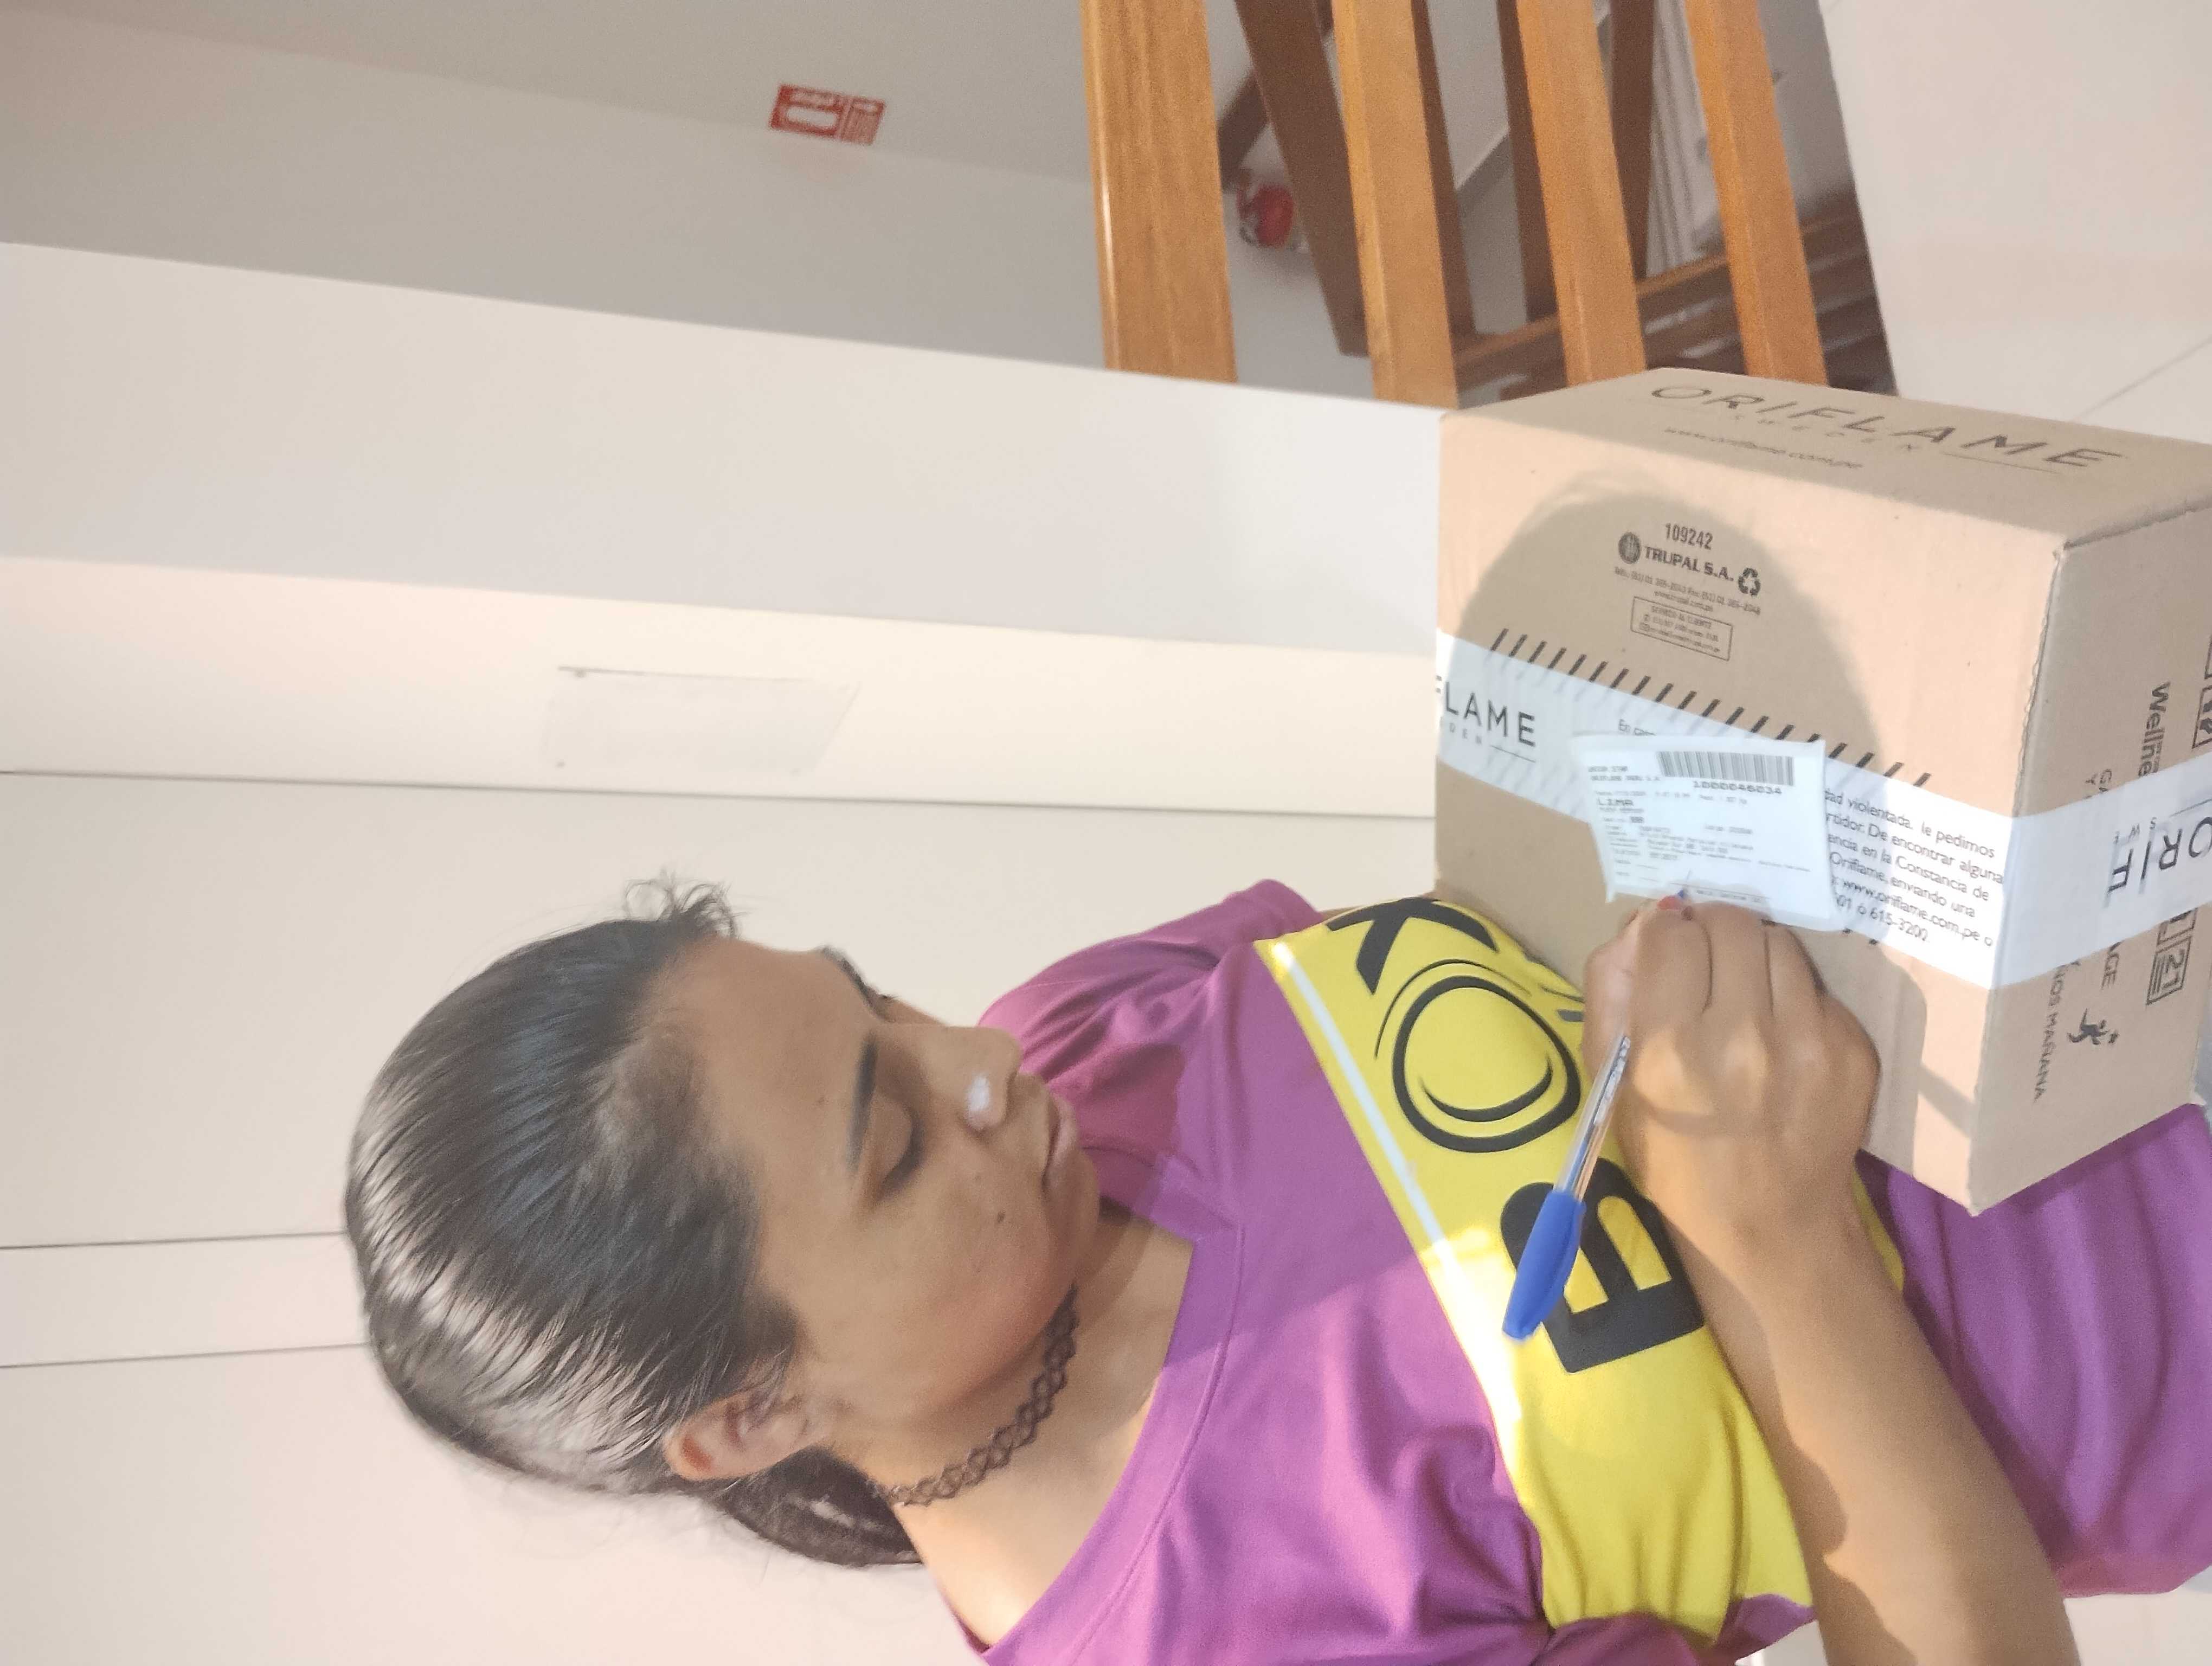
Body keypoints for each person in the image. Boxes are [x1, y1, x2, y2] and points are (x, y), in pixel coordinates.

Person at [345, 879, 2212, 1664]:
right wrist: (1771, 1245)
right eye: (896, 1143)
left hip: (2106, 943)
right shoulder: (1226, 1629)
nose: (978, 1066)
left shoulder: (1080, 1029)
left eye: (878, 1002)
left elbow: (1526, 919)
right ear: (748, 1415)